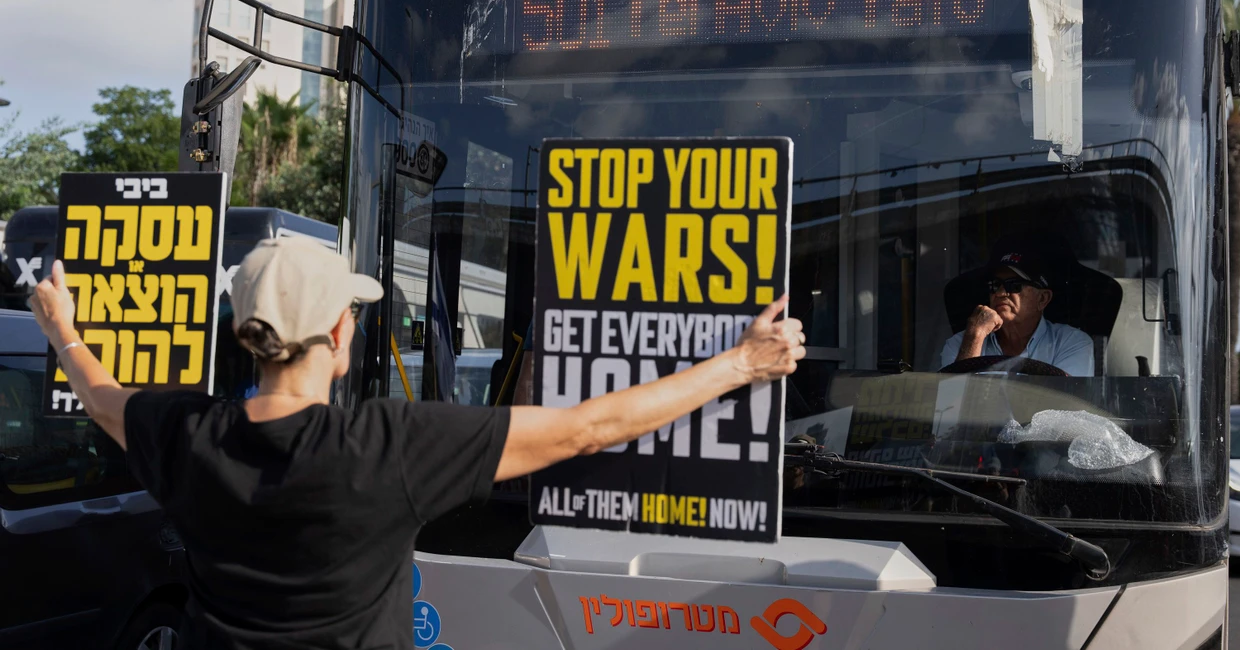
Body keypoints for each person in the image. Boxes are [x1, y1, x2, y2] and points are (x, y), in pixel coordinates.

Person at [29, 236, 804, 650]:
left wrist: (60, 325)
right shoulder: (385, 445)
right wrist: (742, 363)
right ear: (339, 333)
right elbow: (588, 427)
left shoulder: (185, 434)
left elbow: (102, 400)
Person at [940, 246, 1094, 376]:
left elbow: (1066, 405)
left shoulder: (1071, 343)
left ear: (1042, 299)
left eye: (1014, 285)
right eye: (995, 285)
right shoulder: (961, 343)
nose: (1000, 293)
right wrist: (975, 336)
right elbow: (951, 404)